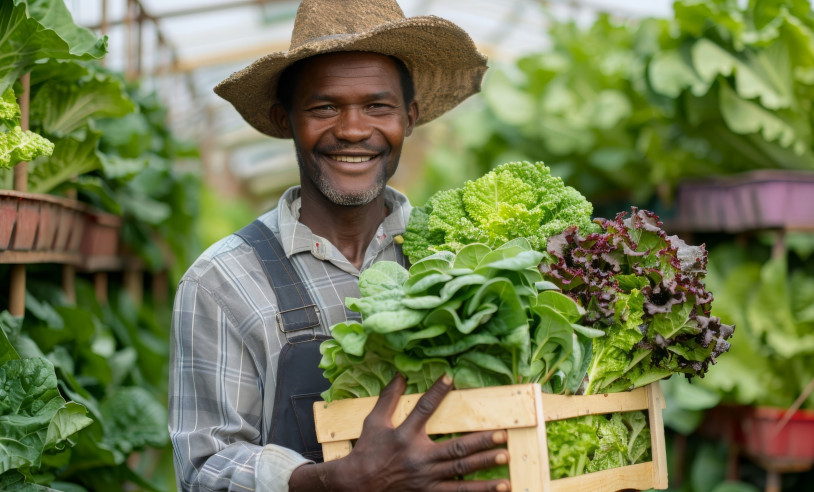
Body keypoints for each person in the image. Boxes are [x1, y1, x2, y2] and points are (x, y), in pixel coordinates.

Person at [169, 0, 511, 490]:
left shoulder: (459, 256)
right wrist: (332, 482)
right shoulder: (222, 282)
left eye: (378, 106)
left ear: (409, 118)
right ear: (283, 119)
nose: (353, 129)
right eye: (324, 106)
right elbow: (204, 470)